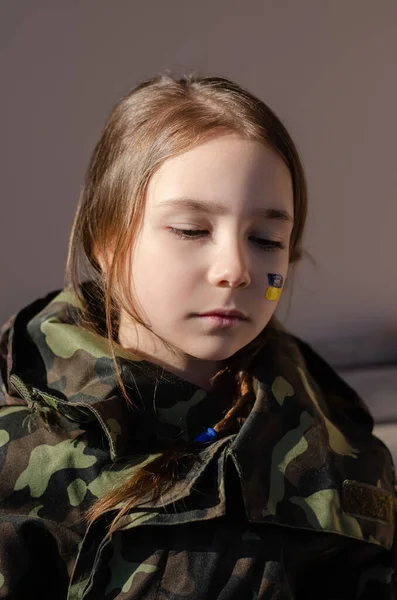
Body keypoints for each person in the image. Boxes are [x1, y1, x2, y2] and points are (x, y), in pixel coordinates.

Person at [0, 73, 396, 600]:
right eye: (191, 230)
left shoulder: (342, 446)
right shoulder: (17, 441)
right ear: (108, 243)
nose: (236, 269)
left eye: (266, 239)